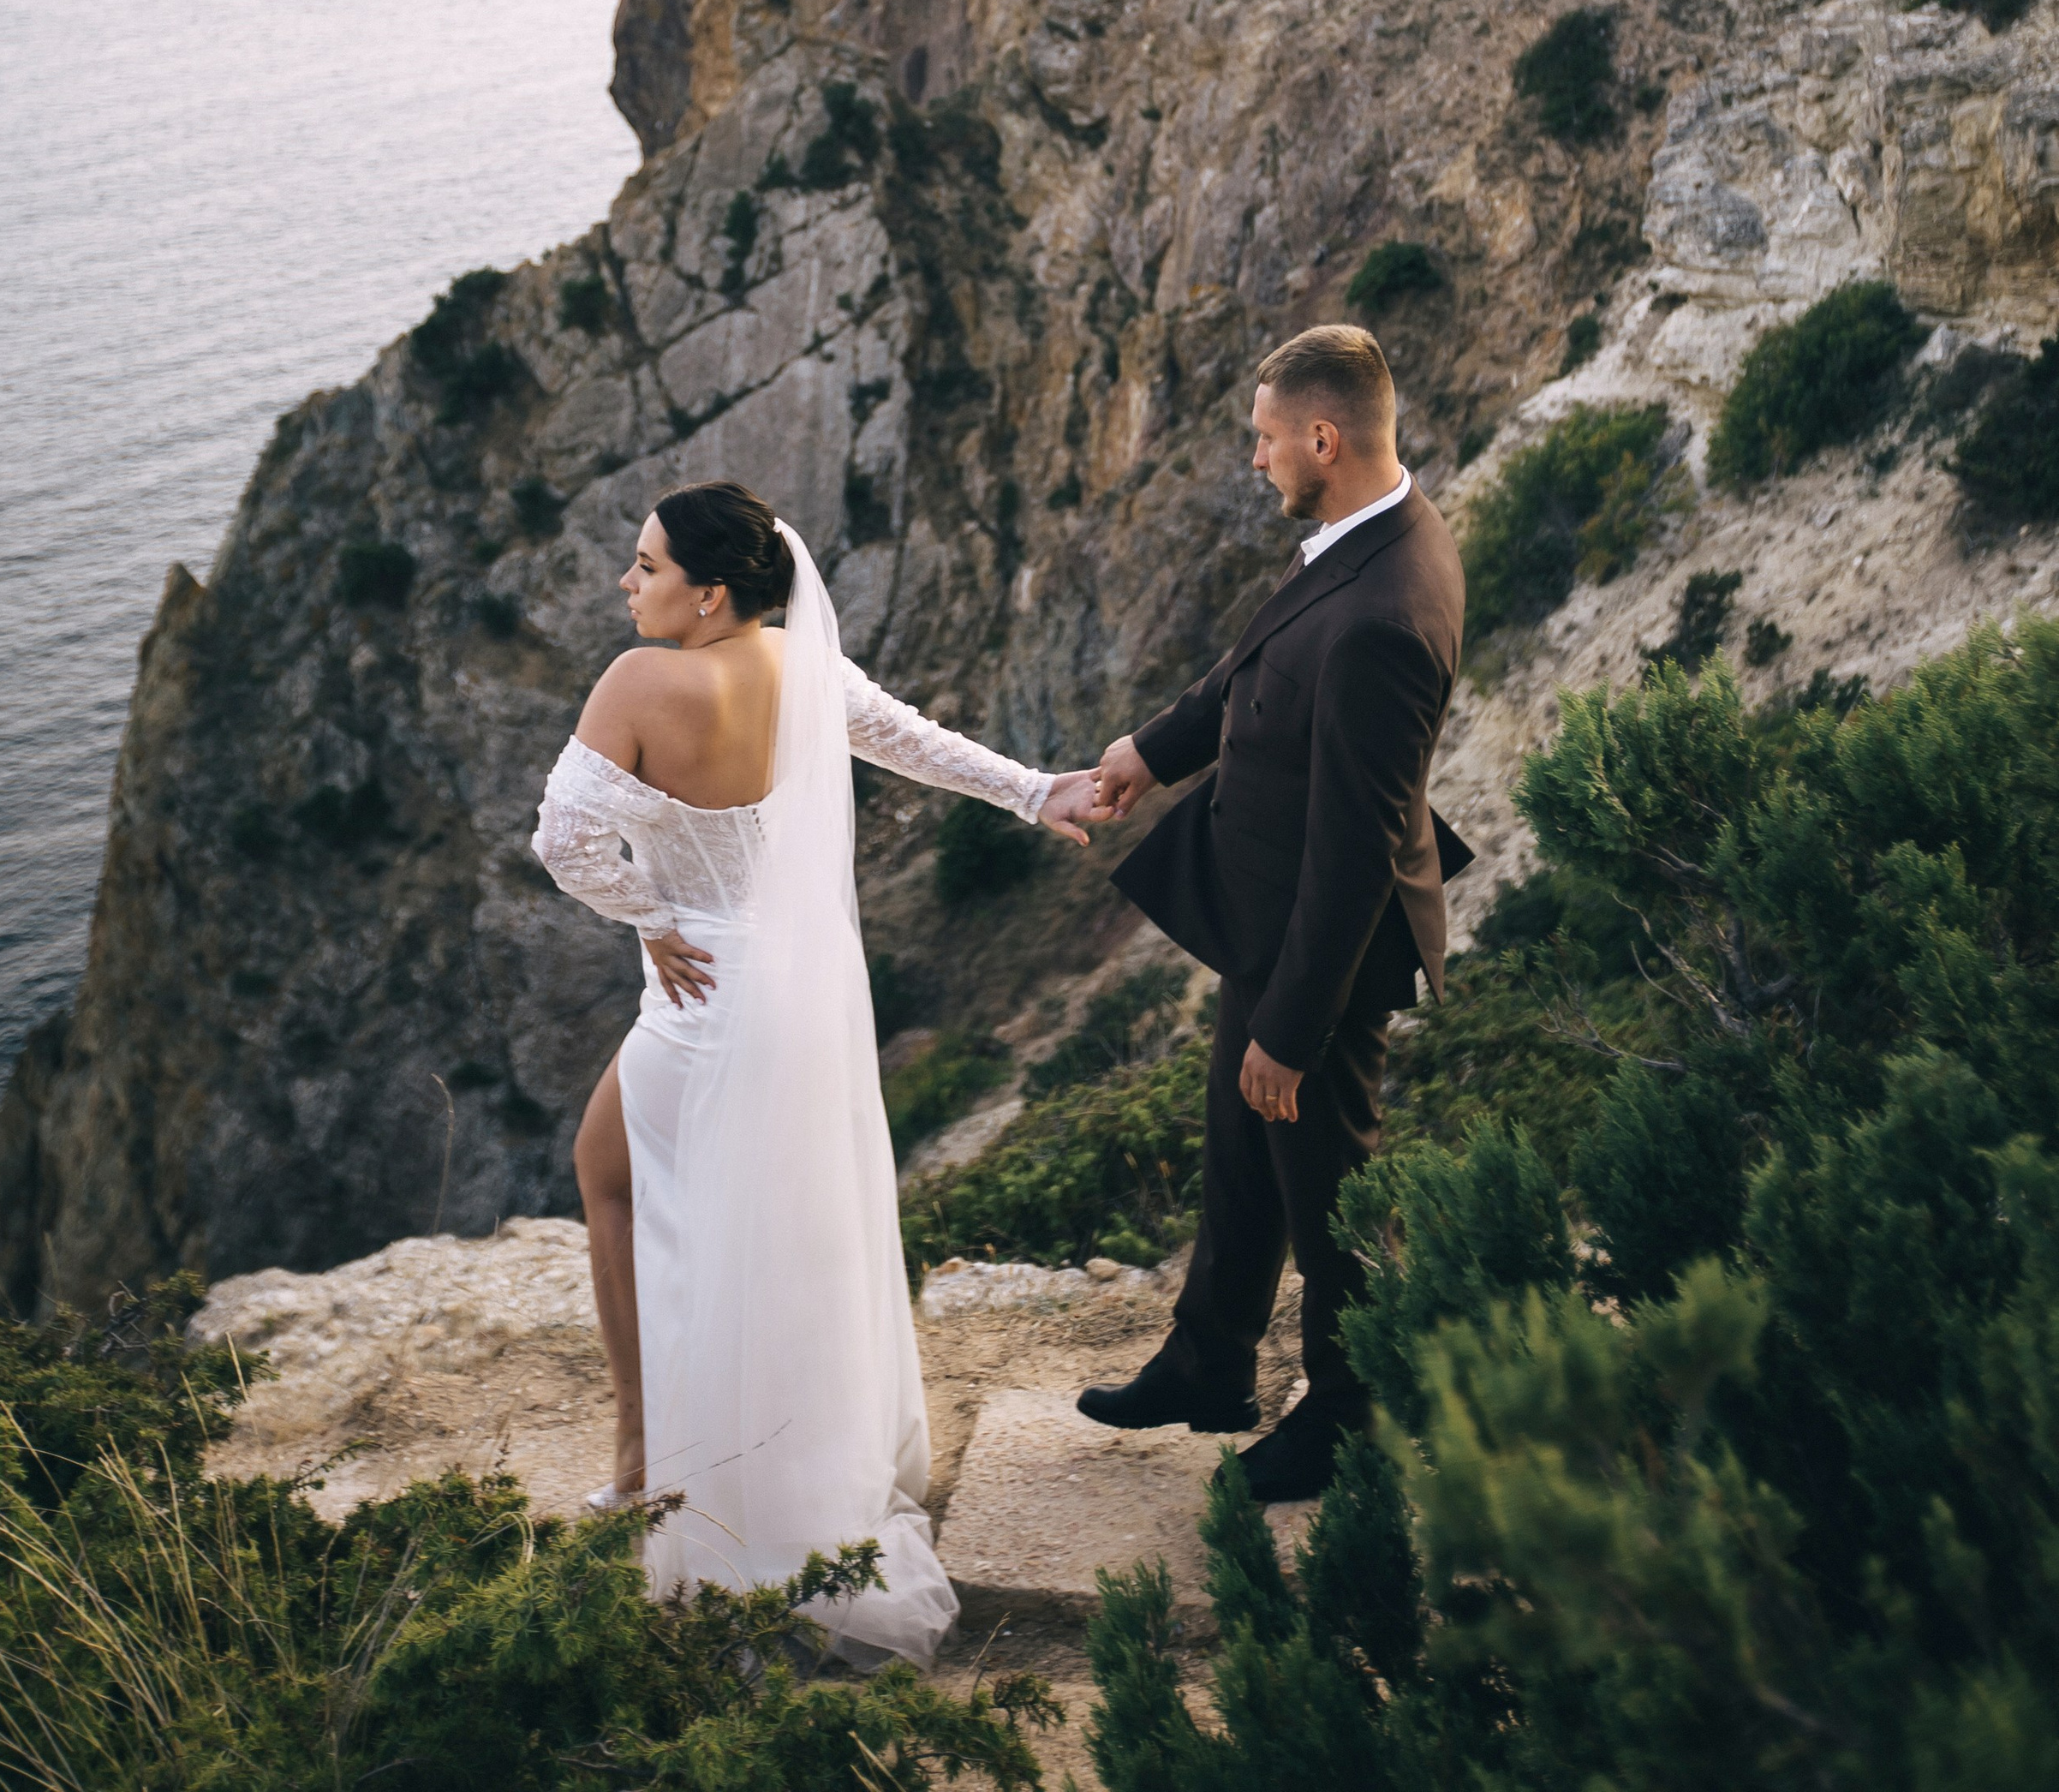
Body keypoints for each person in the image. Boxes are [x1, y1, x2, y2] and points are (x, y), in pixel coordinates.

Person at [530, 479, 1101, 1664]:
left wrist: (651, 916)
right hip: (801, 991)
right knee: (785, 1232)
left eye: (647, 567)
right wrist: (1034, 790)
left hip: (702, 990)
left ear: (709, 595)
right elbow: (908, 740)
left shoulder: (640, 683)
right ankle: (785, 1469)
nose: (628, 584)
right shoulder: (799, 667)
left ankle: (647, 1457)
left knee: (607, 1175)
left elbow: (562, 842)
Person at [1081, 323, 1470, 1503]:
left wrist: (1292, 1030)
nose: (1256, 459)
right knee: (1242, 1150)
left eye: (1265, 439)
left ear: (1324, 438)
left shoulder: (1386, 616)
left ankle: (1351, 1414)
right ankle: (1210, 1361)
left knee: (1331, 1187)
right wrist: (1152, 750)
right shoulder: (1363, 533)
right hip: (1269, 919)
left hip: (1325, 948)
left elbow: (1356, 854)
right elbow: (1259, 666)